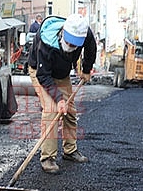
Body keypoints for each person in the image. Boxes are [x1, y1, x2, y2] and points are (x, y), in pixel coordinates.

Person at [28, 14, 96, 173]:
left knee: (70, 111)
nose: (71, 46)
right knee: (52, 110)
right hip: (40, 72)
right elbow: (43, 75)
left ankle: (70, 151)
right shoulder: (47, 42)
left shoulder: (84, 33)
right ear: (63, 33)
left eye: (75, 45)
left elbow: (91, 49)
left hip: (62, 74)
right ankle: (48, 158)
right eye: (69, 43)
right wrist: (58, 99)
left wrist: (86, 70)